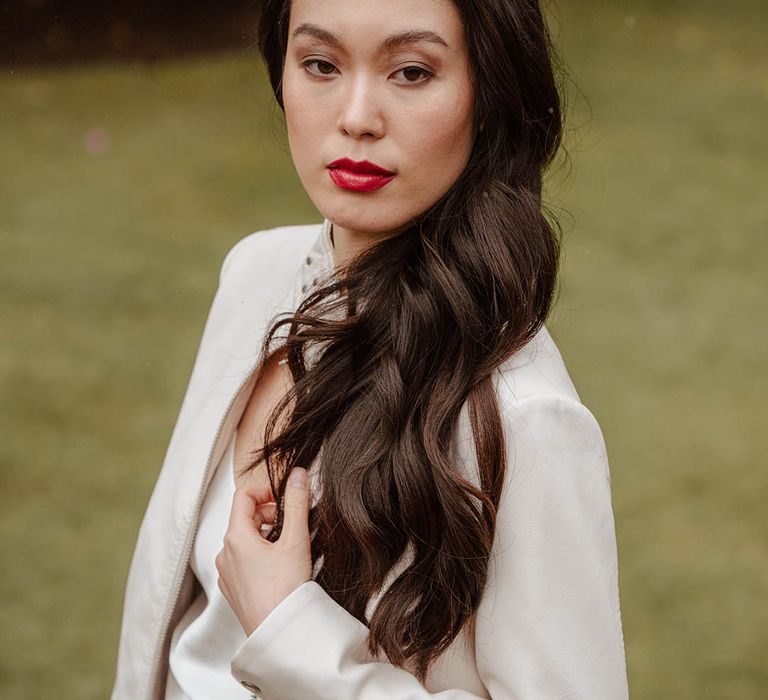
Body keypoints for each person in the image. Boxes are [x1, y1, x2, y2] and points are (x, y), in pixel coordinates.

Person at [111, 0, 629, 698]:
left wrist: (291, 633)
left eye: (411, 72)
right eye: (320, 64)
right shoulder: (255, 276)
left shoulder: (521, 414)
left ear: (491, 91)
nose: (357, 116)